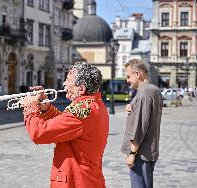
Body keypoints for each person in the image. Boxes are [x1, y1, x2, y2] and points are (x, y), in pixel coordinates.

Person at [20, 60, 109, 188]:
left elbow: (38, 134)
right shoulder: (95, 104)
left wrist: (31, 107)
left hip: (77, 181)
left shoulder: (82, 109)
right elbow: (66, 126)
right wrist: (47, 108)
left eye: (68, 80)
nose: (64, 83)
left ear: (81, 88)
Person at [121, 59, 163, 188]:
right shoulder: (151, 90)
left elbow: (140, 126)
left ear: (137, 74)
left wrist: (132, 154)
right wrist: (131, 107)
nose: (127, 80)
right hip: (146, 151)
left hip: (141, 154)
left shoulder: (145, 92)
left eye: (128, 76)